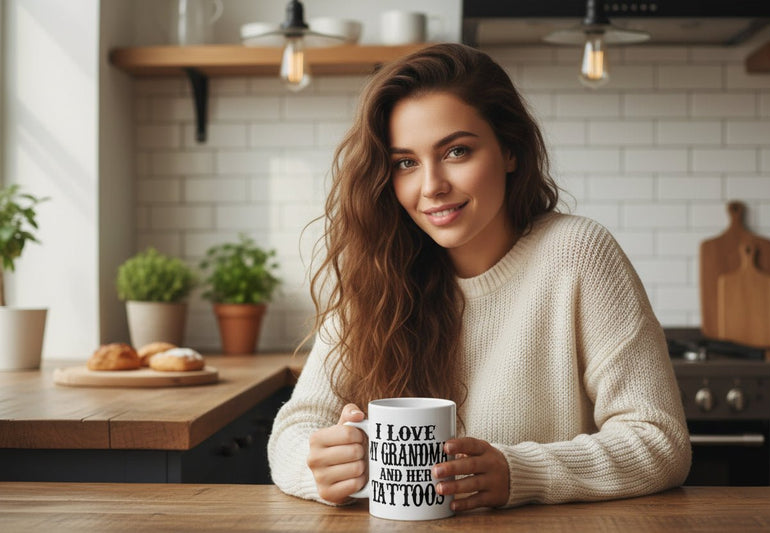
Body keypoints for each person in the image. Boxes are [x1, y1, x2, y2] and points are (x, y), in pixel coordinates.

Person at [267, 42, 691, 512]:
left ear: (510, 149)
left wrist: (521, 473)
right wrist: (323, 465)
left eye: (456, 151)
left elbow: (660, 442)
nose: (431, 186)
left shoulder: (578, 254)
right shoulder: (379, 271)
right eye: (405, 162)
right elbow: (293, 430)